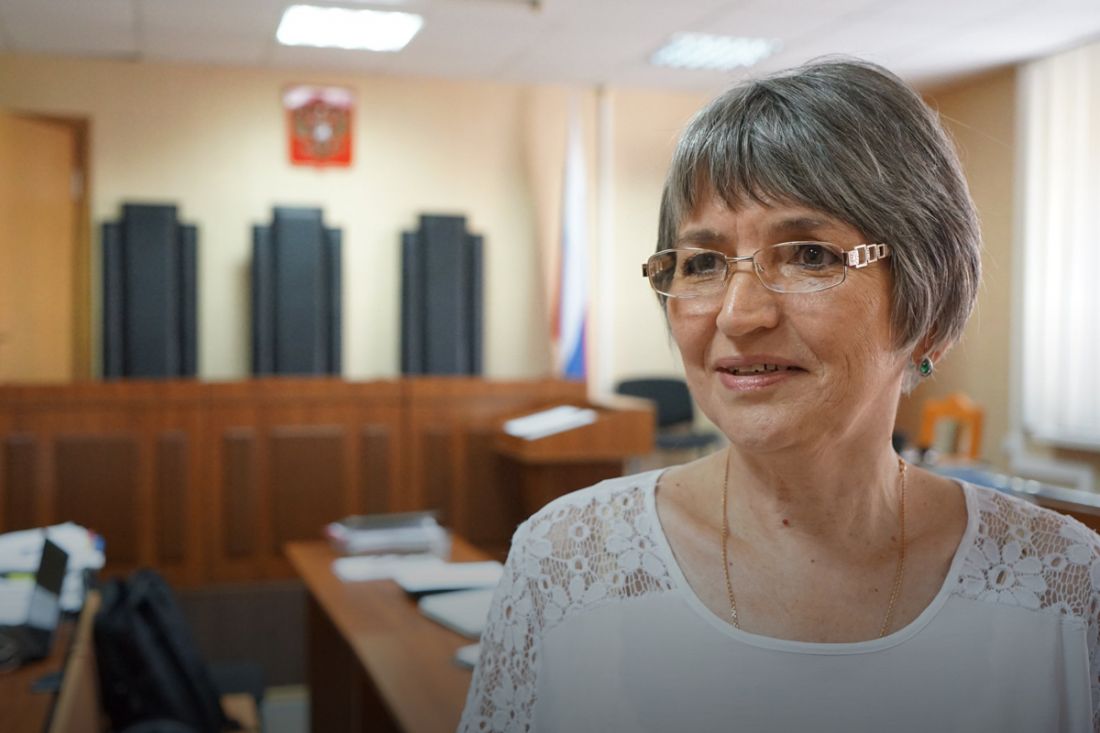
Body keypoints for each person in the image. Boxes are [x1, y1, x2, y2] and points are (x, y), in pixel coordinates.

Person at [458, 59, 1100, 732]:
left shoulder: (1064, 585)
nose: (738, 315)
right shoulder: (562, 562)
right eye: (703, 263)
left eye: (809, 255)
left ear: (928, 305)